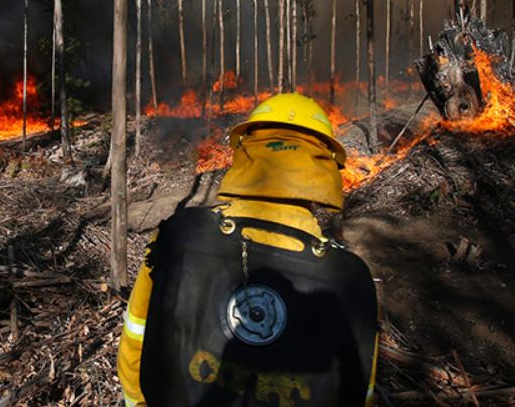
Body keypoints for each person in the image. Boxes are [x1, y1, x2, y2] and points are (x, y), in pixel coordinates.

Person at [117, 93, 379, 407]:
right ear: (325, 166)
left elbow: (137, 342)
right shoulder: (348, 277)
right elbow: (358, 392)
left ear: (245, 149)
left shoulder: (180, 236)